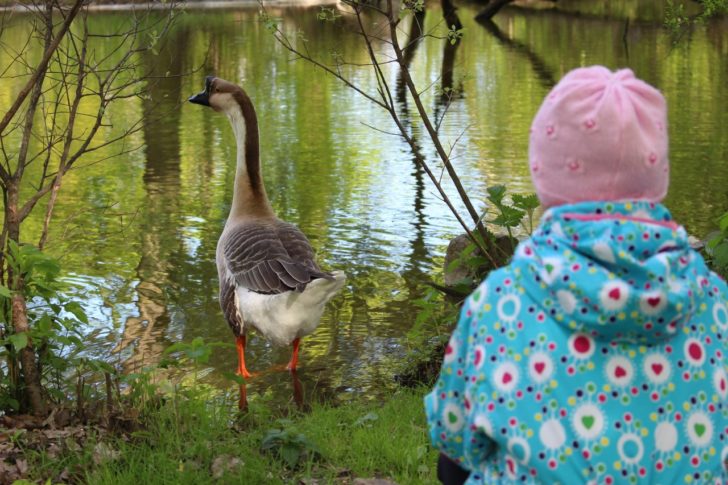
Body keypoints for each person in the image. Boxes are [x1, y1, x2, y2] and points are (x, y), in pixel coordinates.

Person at [425, 65, 728, 484]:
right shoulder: (716, 304)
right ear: (654, 176)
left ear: (545, 174)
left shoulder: (499, 303)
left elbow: (454, 440)